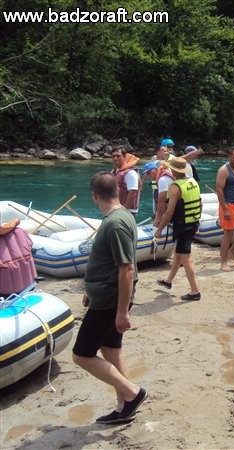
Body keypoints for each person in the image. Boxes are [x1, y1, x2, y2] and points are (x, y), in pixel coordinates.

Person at [72, 172, 147, 425]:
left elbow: (126, 269)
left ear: (94, 196)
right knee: (111, 350)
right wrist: (89, 290)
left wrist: (122, 312)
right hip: (104, 296)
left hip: (110, 302)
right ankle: (125, 403)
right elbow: (107, 263)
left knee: (81, 355)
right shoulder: (123, 215)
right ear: (117, 189)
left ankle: (133, 394)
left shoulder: (115, 223)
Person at [154, 157, 202, 301]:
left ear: (174, 170)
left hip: (183, 226)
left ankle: (195, 292)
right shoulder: (193, 182)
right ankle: (168, 281)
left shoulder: (175, 186)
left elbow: (169, 212)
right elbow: (199, 203)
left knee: (186, 259)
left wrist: (159, 229)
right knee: (178, 253)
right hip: (192, 223)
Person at [110, 145, 141, 218]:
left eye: (118, 156)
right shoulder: (114, 171)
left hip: (128, 211)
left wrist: (124, 211)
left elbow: (132, 193)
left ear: (124, 157)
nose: (115, 158)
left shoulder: (130, 173)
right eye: (113, 156)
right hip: (117, 209)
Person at [152, 162, 175, 227]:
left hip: (175, 214)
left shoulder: (163, 180)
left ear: (157, 169)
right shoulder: (172, 175)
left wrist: (158, 219)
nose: (149, 175)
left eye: (149, 172)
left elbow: (161, 202)